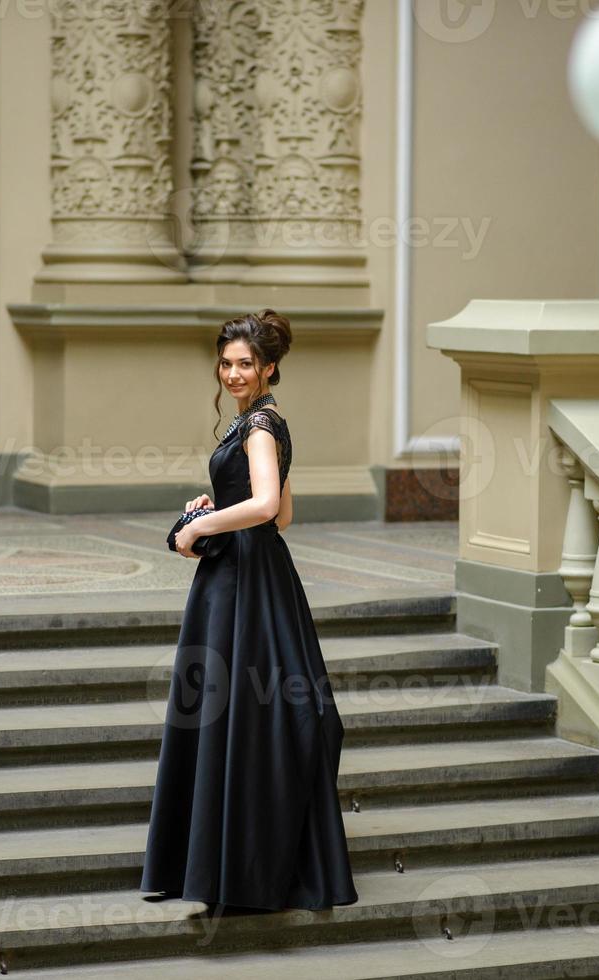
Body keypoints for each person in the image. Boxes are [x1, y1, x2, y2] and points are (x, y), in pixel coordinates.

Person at [140, 309, 358, 914]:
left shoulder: (258, 427)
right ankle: (237, 864)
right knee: (250, 714)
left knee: (238, 711)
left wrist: (202, 524)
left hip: (243, 580)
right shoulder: (266, 422)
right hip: (256, 573)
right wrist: (215, 503)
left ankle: (233, 868)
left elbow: (265, 506)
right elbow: (283, 514)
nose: (234, 374)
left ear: (269, 368)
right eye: (227, 363)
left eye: (246, 365)